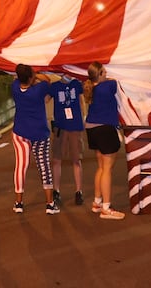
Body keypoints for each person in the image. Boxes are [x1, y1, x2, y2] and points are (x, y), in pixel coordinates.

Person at [10, 64, 59, 215]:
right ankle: (50, 204)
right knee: (44, 167)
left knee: (21, 166)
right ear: (31, 77)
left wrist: (30, 76)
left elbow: (18, 79)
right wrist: (36, 75)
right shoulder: (39, 89)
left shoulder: (15, 88)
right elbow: (48, 80)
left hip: (20, 132)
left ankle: (19, 203)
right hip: (40, 133)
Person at [83, 62, 126, 219]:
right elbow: (116, 81)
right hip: (105, 129)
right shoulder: (108, 86)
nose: (107, 72)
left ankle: (97, 202)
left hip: (92, 128)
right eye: (103, 71)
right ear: (99, 75)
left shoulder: (92, 88)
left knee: (101, 167)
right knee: (107, 169)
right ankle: (106, 208)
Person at [49, 72, 86, 206]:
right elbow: (45, 99)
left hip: (75, 126)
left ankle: (78, 191)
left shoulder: (77, 84)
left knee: (76, 160)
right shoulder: (54, 87)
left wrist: (84, 117)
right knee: (57, 159)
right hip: (60, 127)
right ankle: (56, 190)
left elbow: (83, 99)